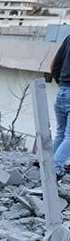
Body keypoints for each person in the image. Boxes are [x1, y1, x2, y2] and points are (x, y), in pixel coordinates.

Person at [48, 31, 70, 177]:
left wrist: (62, 83)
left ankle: (46, 166)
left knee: (61, 133)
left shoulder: (69, 38)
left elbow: (54, 66)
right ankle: (53, 170)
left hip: (62, 90)